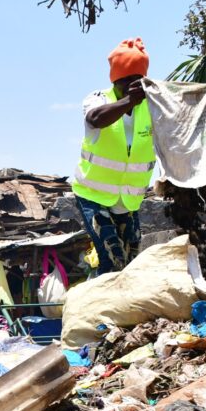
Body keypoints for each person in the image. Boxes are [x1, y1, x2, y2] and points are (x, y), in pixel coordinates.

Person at [73, 37, 156, 275]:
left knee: (130, 266)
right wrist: (129, 100)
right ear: (115, 80)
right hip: (93, 195)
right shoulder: (98, 99)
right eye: (125, 81)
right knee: (112, 261)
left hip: (128, 200)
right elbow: (95, 119)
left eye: (137, 81)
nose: (131, 86)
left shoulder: (151, 107)